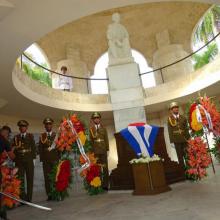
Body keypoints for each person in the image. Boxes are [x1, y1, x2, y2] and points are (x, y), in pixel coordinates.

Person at [13, 120, 36, 202]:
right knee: (20, 180)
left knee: (30, 179)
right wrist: (14, 161)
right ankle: (23, 198)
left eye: (24, 126)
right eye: (21, 127)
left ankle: (29, 198)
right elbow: (14, 150)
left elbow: (33, 148)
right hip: (19, 161)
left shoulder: (30, 136)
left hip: (29, 160)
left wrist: (34, 159)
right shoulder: (16, 137)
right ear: (19, 128)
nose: (22, 128)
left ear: (26, 128)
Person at [38, 117, 59, 201]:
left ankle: (57, 193)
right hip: (46, 160)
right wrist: (42, 159)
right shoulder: (42, 136)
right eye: (46, 124)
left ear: (52, 125)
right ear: (44, 126)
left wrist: (59, 158)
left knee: (55, 177)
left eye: (50, 124)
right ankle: (49, 194)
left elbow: (59, 147)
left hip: (54, 159)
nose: (48, 125)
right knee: (47, 178)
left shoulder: (56, 135)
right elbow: (40, 148)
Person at [167, 102, 190, 171]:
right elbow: (170, 130)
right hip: (176, 141)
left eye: (177, 107)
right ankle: (183, 172)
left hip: (184, 139)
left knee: (187, 155)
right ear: (171, 110)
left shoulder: (183, 118)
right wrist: (171, 141)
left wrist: (188, 138)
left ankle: (190, 171)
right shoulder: (170, 119)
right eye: (174, 108)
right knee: (180, 156)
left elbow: (186, 129)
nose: (176, 109)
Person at [89, 112, 109, 190]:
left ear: (100, 119)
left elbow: (106, 139)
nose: (96, 119)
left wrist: (107, 149)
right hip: (95, 151)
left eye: (97, 118)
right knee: (97, 169)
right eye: (95, 118)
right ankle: (98, 184)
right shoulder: (91, 130)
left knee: (105, 168)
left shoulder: (104, 128)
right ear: (93, 120)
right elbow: (91, 141)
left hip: (103, 150)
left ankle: (105, 185)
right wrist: (91, 151)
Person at [0, 126, 15, 220]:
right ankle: (2, 214)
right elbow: (12, 156)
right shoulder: (4, 140)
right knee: (2, 191)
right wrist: (13, 151)